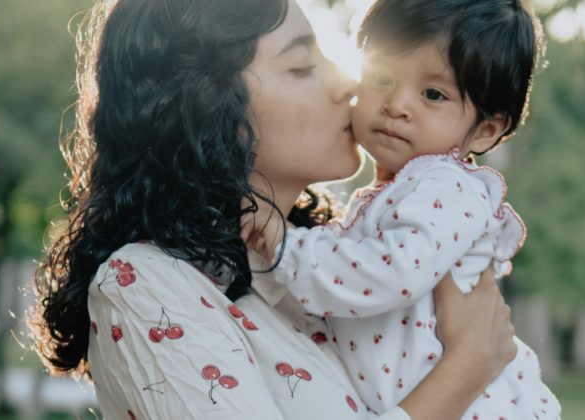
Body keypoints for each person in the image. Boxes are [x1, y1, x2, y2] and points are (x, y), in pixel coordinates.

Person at [29, 0, 517, 419]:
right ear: (205, 104)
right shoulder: (144, 284)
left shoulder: (311, 268)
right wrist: (467, 368)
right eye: (302, 67)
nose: (349, 83)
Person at [247, 0, 561, 418]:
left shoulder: (446, 187)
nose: (397, 103)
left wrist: (288, 248)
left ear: (486, 130)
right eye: (382, 76)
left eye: (433, 94)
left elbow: (390, 271)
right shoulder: (401, 190)